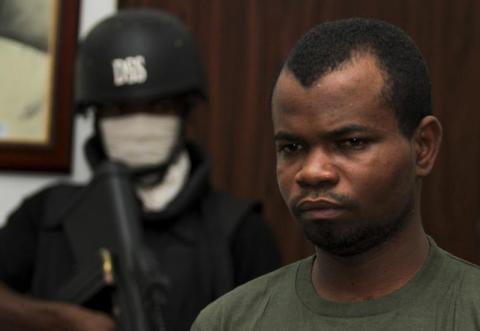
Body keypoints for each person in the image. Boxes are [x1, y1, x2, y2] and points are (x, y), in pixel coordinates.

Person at [191, 17, 480, 330]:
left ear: (422, 147)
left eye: (351, 142)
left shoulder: (469, 311)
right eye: (291, 147)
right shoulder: (227, 322)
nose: (313, 172)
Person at [0, 9, 280, 331]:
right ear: (95, 116)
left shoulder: (241, 231)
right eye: (119, 109)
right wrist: (56, 320)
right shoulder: (46, 214)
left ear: (185, 110)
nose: (138, 123)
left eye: (158, 107)